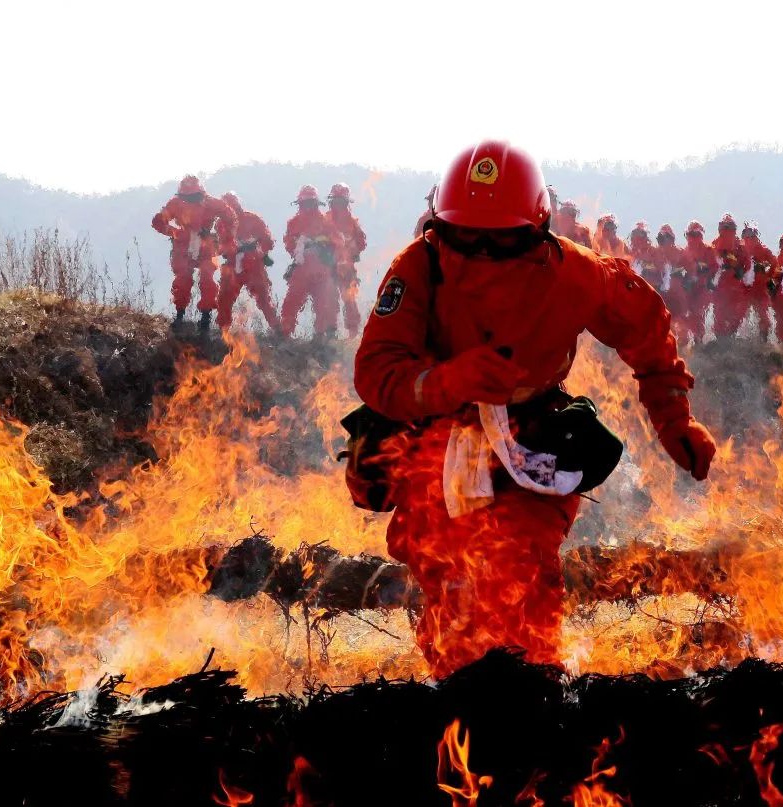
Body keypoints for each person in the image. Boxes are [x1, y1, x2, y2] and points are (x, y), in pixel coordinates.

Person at [353, 141, 716, 678]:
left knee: (524, 570)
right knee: (447, 577)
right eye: (466, 238)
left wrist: (672, 416)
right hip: (432, 444)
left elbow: (644, 326)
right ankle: (461, 705)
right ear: (440, 228)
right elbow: (377, 372)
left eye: (499, 241)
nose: (481, 252)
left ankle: (537, 692)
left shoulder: (576, 273)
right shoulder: (419, 268)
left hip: (531, 442)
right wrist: (449, 381)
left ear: (536, 233)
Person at [151, 175, 238, 331]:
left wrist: (223, 237)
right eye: (187, 197)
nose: (190, 200)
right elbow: (158, 222)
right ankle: (179, 316)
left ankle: (205, 317)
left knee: (207, 278)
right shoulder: (175, 204)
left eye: (193, 196)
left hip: (206, 245)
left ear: (200, 193)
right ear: (182, 195)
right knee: (182, 278)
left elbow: (230, 217)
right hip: (183, 246)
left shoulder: (212, 203)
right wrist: (176, 232)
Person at [280, 185, 345, 338]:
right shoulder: (293, 223)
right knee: (292, 302)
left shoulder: (326, 222)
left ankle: (324, 338)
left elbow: (338, 243)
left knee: (325, 303)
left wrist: (325, 249)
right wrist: (299, 248)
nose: (308, 207)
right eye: (305, 203)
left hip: (322, 270)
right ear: (301, 204)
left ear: (316, 203)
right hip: (301, 269)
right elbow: (289, 243)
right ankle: (284, 335)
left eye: (311, 203)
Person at [216, 192, 278, 331]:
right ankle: (223, 330)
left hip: (253, 264)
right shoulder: (221, 224)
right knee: (224, 299)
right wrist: (228, 248)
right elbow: (220, 247)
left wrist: (258, 249)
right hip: (233, 265)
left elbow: (268, 240)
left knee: (263, 299)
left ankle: (277, 330)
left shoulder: (252, 219)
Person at [326, 183, 368, 338]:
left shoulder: (352, 223)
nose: (337, 205)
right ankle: (330, 333)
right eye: (335, 201)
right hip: (328, 267)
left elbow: (361, 243)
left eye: (340, 202)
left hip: (346, 269)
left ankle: (352, 333)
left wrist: (352, 251)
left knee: (349, 300)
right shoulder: (325, 220)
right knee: (329, 299)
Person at [710, 213, 753, 338]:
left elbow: (748, 264)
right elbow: (710, 263)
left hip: (735, 284)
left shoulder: (740, 246)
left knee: (737, 313)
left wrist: (742, 273)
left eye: (729, 227)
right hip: (721, 285)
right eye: (724, 227)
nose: (727, 230)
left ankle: (730, 335)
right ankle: (720, 340)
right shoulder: (714, 244)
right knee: (719, 312)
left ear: (734, 229)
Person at [654, 223, 692, 343]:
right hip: (662, 295)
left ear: (672, 239)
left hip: (678, 295)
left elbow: (692, 269)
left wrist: (687, 282)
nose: (663, 242)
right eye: (660, 239)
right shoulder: (655, 253)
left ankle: (685, 347)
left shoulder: (680, 252)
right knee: (664, 321)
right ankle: (668, 345)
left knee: (681, 320)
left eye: (666, 238)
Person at [683, 220, 718, 344]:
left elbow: (714, 267)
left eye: (695, 235)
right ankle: (688, 340)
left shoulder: (708, 250)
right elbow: (680, 269)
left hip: (702, 288)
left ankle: (698, 339)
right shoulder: (685, 251)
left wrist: (706, 276)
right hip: (689, 288)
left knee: (698, 313)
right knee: (686, 313)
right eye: (690, 235)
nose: (692, 238)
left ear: (701, 236)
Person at [741, 221, 777, 342]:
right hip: (744, 289)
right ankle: (742, 340)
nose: (748, 236)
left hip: (760, 289)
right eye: (746, 233)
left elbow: (775, 263)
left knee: (764, 317)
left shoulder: (763, 250)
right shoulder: (740, 249)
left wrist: (767, 275)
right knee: (741, 316)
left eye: (751, 233)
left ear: (756, 235)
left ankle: (763, 341)